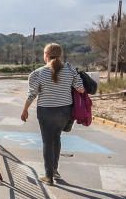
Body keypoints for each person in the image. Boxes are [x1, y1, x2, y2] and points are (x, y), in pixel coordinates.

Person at [20, 43, 84, 185]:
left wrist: (24, 110)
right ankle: (54, 170)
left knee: (47, 142)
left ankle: (48, 176)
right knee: (56, 138)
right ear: (60, 55)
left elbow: (32, 94)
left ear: (46, 55)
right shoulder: (70, 70)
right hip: (64, 111)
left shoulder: (38, 73)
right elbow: (81, 89)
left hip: (46, 111)